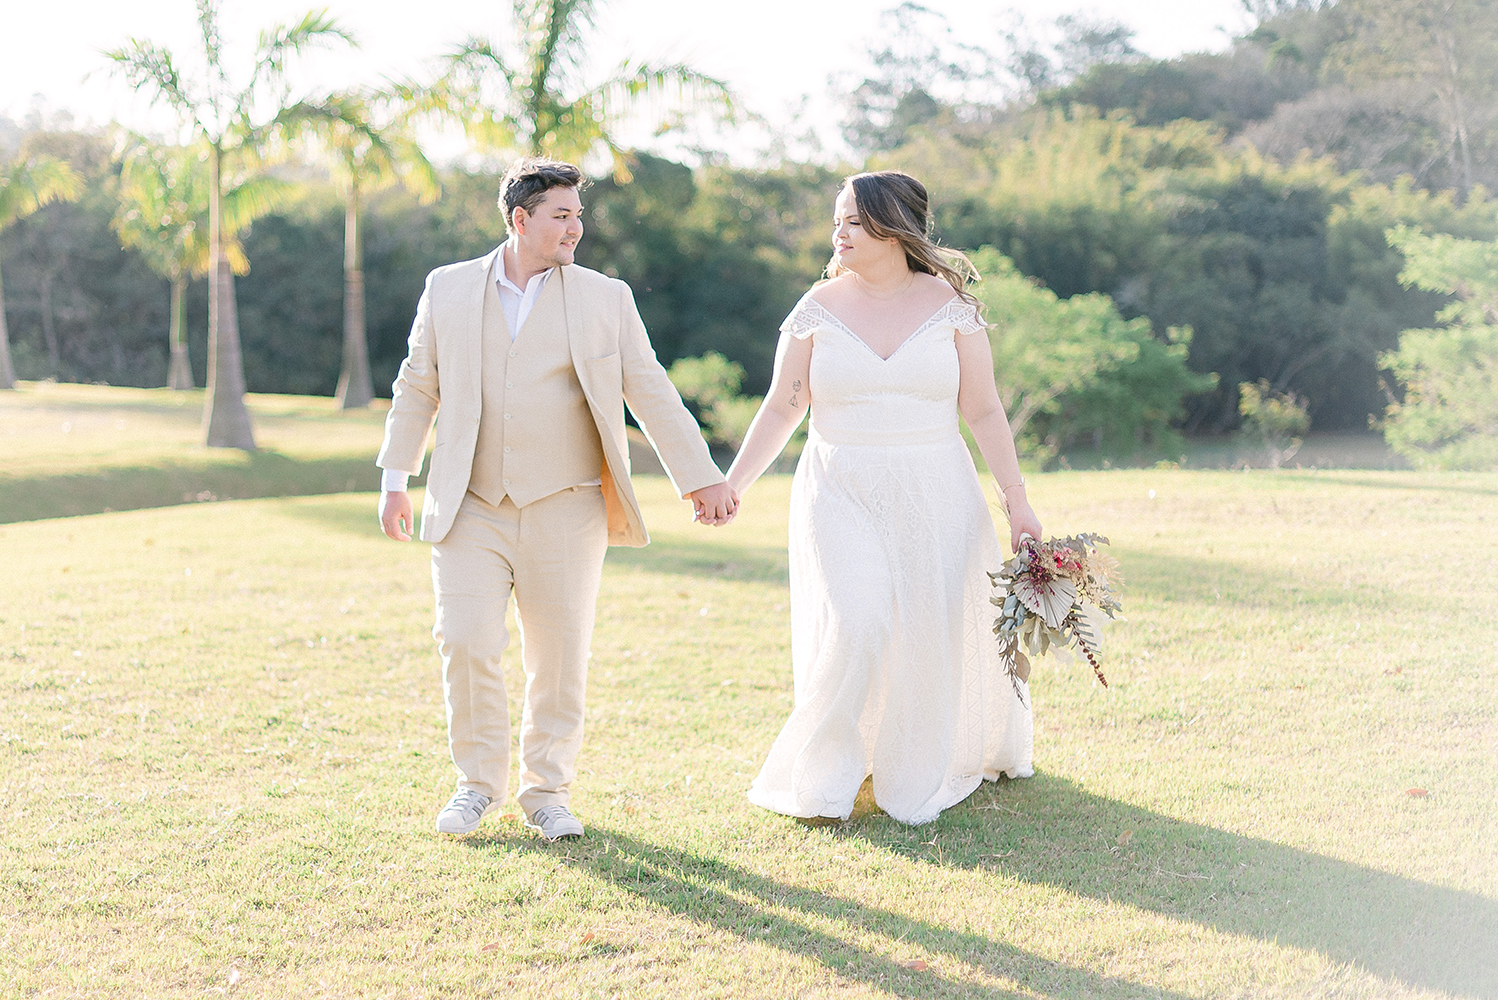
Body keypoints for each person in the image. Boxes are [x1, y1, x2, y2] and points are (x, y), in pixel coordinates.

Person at [376, 157, 738, 841]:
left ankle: (546, 793)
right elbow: (416, 385)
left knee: (559, 656)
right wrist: (396, 477)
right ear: (520, 220)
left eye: (578, 214)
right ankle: (476, 786)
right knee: (465, 640)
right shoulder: (447, 288)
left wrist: (702, 477)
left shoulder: (606, 298)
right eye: (562, 215)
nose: (577, 227)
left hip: (567, 505)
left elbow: (650, 389)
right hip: (469, 503)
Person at [725, 170, 1043, 826]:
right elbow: (784, 407)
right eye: (836, 220)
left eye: (850, 221)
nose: (836, 232)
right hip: (839, 487)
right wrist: (733, 484)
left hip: (937, 491)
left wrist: (1018, 504)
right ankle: (825, 775)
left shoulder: (951, 307)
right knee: (860, 619)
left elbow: (983, 410)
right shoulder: (817, 308)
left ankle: (918, 756)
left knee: (928, 632)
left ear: (892, 226)